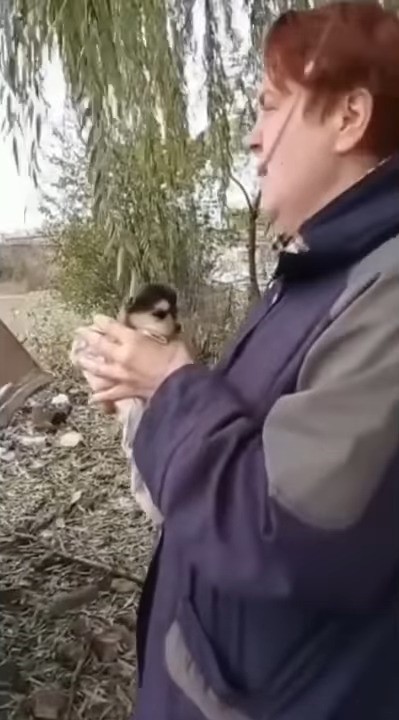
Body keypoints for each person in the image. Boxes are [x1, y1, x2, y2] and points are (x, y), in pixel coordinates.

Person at [76, 2, 399, 718]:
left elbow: (280, 528)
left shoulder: (385, 290)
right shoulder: (319, 272)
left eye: (270, 106)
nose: (252, 140)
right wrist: (145, 403)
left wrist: (172, 384)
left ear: (348, 117)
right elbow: (229, 467)